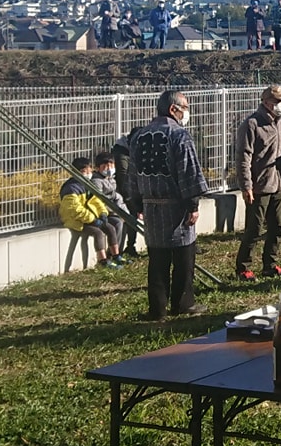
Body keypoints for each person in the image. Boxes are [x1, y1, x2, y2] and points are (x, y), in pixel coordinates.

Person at [125, 92, 209, 319]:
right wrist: (193, 204)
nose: (187, 112)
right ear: (174, 109)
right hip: (176, 204)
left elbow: (131, 173)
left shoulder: (139, 136)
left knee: (157, 259)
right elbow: (188, 172)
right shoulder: (179, 135)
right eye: (185, 107)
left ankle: (157, 308)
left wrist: (135, 201)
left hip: (150, 204)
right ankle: (183, 303)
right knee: (183, 256)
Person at [232, 86, 281, 279]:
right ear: (266, 103)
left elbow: (279, 147)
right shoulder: (251, 124)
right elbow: (243, 157)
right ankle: (243, 267)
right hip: (259, 185)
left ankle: (270, 264)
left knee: (277, 226)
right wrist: (246, 185)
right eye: (277, 102)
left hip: (278, 182)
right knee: (254, 228)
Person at [59, 158, 115, 267]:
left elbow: (96, 201)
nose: (89, 174)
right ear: (76, 172)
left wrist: (103, 213)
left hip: (88, 218)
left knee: (110, 228)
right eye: (85, 172)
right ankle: (102, 261)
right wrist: (93, 220)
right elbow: (75, 210)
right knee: (98, 232)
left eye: (90, 171)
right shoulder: (71, 188)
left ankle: (116, 256)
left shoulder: (87, 185)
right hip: (75, 221)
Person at [92, 150, 129, 263]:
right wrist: (115, 212)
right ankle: (113, 253)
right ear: (98, 168)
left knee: (122, 223)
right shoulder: (97, 181)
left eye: (111, 165)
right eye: (105, 166)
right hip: (101, 213)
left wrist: (124, 212)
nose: (109, 168)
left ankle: (117, 252)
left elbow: (116, 197)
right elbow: (98, 201)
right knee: (117, 223)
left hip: (111, 210)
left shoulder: (111, 179)